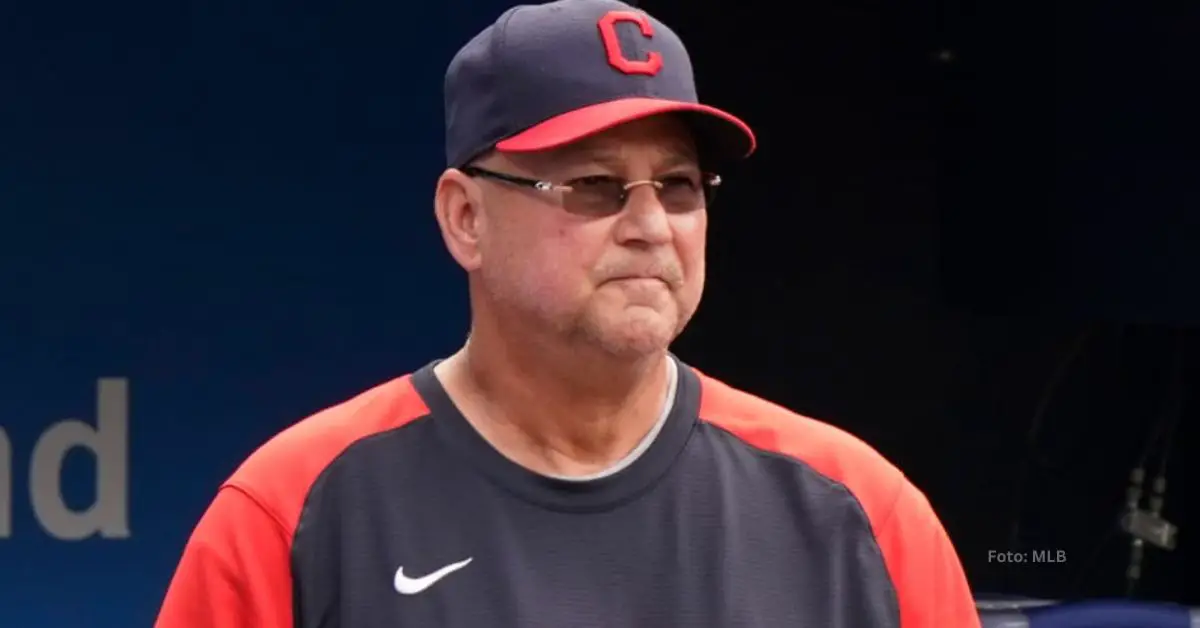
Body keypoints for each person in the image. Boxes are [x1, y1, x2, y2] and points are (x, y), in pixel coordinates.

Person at [156, 0, 981, 626]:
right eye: (593, 186)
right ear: (465, 218)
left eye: (681, 187)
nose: (651, 226)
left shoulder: (857, 510)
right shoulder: (297, 509)